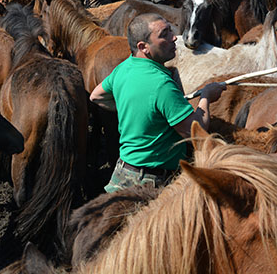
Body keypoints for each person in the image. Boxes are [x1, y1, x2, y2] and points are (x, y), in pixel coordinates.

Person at [90, 13, 226, 192]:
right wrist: (206, 97)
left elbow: (96, 96)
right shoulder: (161, 84)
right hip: (153, 182)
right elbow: (195, 133)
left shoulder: (123, 69)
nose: (174, 38)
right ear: (143, 47)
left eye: (171, 30)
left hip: (122, 174)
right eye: (164, 35)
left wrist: (137, 109)